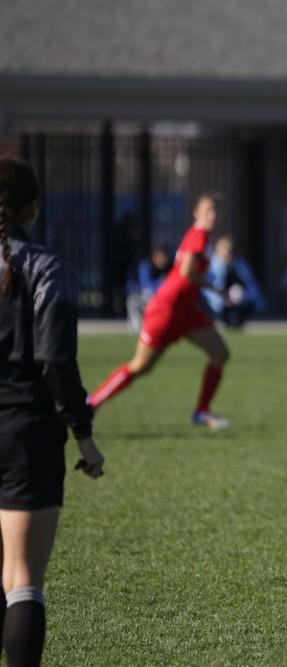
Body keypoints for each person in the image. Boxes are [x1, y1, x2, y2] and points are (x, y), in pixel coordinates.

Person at [0, 157, 104, 667]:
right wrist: (83, 436)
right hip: (26, 436)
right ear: (33, 209)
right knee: (22, 580)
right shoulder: (48, 268)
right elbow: (55, 362)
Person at [88, 193, 232, 429]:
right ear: (196, 213)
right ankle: (91, 403)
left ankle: (202, 411)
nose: (212, 215)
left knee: (221, 353)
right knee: (140, 366)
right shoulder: (198, 235)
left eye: (215, 211)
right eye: (207, 210)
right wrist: (215, 288)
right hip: (167, 309)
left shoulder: (203, 236)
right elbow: (186, 272)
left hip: (186, 310)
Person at [204, 235, 266, 328]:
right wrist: (224, 299)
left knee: (238, 294)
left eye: (229, 252)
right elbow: (209, 291)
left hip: (235, 303)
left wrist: (256, 302)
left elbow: (251, 285)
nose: (226, 255)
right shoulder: (211, 266)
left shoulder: (239, 265)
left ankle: (235, 319)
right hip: (216, 304)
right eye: (223, 252)